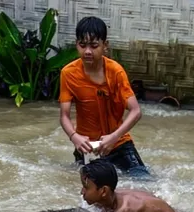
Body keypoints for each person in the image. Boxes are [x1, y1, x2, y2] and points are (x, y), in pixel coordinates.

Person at [59, 17, 148, 175]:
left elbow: (136, 111)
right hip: (87, 146)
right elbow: (64, 116)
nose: (87, 51)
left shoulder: (116, 72)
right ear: (76, 45)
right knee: (87, 193)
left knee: (144, 182)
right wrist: (74, 137)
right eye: (82, 45)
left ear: (105, 46)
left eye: (94, 46)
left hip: (118, 143)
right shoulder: (68, 73)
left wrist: (113, 137)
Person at [80, 159, 184, 212]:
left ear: (103, 191)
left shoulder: (125, 209)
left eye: (86, 187)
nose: (81, 192)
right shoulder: (108, 196)